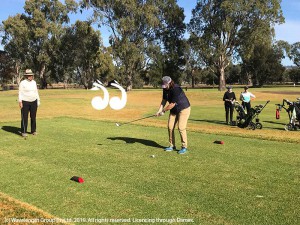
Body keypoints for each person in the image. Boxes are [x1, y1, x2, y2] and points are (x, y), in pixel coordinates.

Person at [156, 76, 191, 154]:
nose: (164, 87)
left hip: (183, 108)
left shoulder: (176, 89)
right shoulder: (165, 89)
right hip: (174, 110)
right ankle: (172, 145)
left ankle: (184, 147)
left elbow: (172, 104)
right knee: (170, 127)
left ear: (169, 83)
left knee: (181, 127)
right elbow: (164, 100)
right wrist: (159, 111)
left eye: (165, 85)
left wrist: (163, 111)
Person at [18, 69, 40, 137]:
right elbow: (20, 93)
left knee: (33, 117)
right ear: (26, 76)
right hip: (25, 102)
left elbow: (36, 92)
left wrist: (38, 100)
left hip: (34, 101)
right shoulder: (22, 83)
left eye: (32, 75)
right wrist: (20, 101)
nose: (31, 76)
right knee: (24, 117)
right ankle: (23, 131)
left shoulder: (34, 82)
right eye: (30, 75)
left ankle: (33, 130)